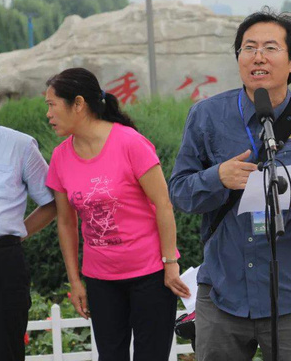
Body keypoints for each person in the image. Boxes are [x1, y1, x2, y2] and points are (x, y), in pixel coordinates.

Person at [169, 8, 291, 360]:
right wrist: (216, 177)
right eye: (248, 48)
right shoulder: (207, 116)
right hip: (222, 294)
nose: (258, 57)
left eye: (270, 48)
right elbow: (179, 191)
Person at [44, 68, 190, 361]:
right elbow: (66, 222)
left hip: (150, 274)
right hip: (101, 279)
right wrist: (75, 281)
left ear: (78, 103)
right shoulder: (60, 156)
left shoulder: (130, 143)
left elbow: (163, 204)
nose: (48, 114)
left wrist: (170, 263)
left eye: (52, 105)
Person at [0, 60, 57, 361]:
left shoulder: (20, 145)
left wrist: (17, 234)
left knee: (4, 348)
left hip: (1, 263)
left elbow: (52, 202)